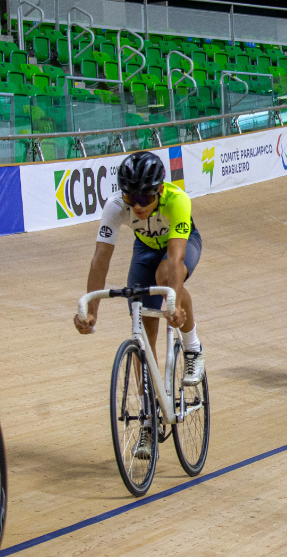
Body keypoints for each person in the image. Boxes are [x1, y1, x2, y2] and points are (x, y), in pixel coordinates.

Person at [74, 151, 204, 458]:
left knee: (166, 277)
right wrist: (91, 310)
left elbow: (175, 260)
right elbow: (100, 258)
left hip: (179, 247)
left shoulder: (177, 201)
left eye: (144, 197)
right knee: (143, 333)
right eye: (131, 198)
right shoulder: (116, 207)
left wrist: (172, 302)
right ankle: (147, 421)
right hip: (144, 249)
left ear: (159, 189)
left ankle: (193, 346)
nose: (138, 205)